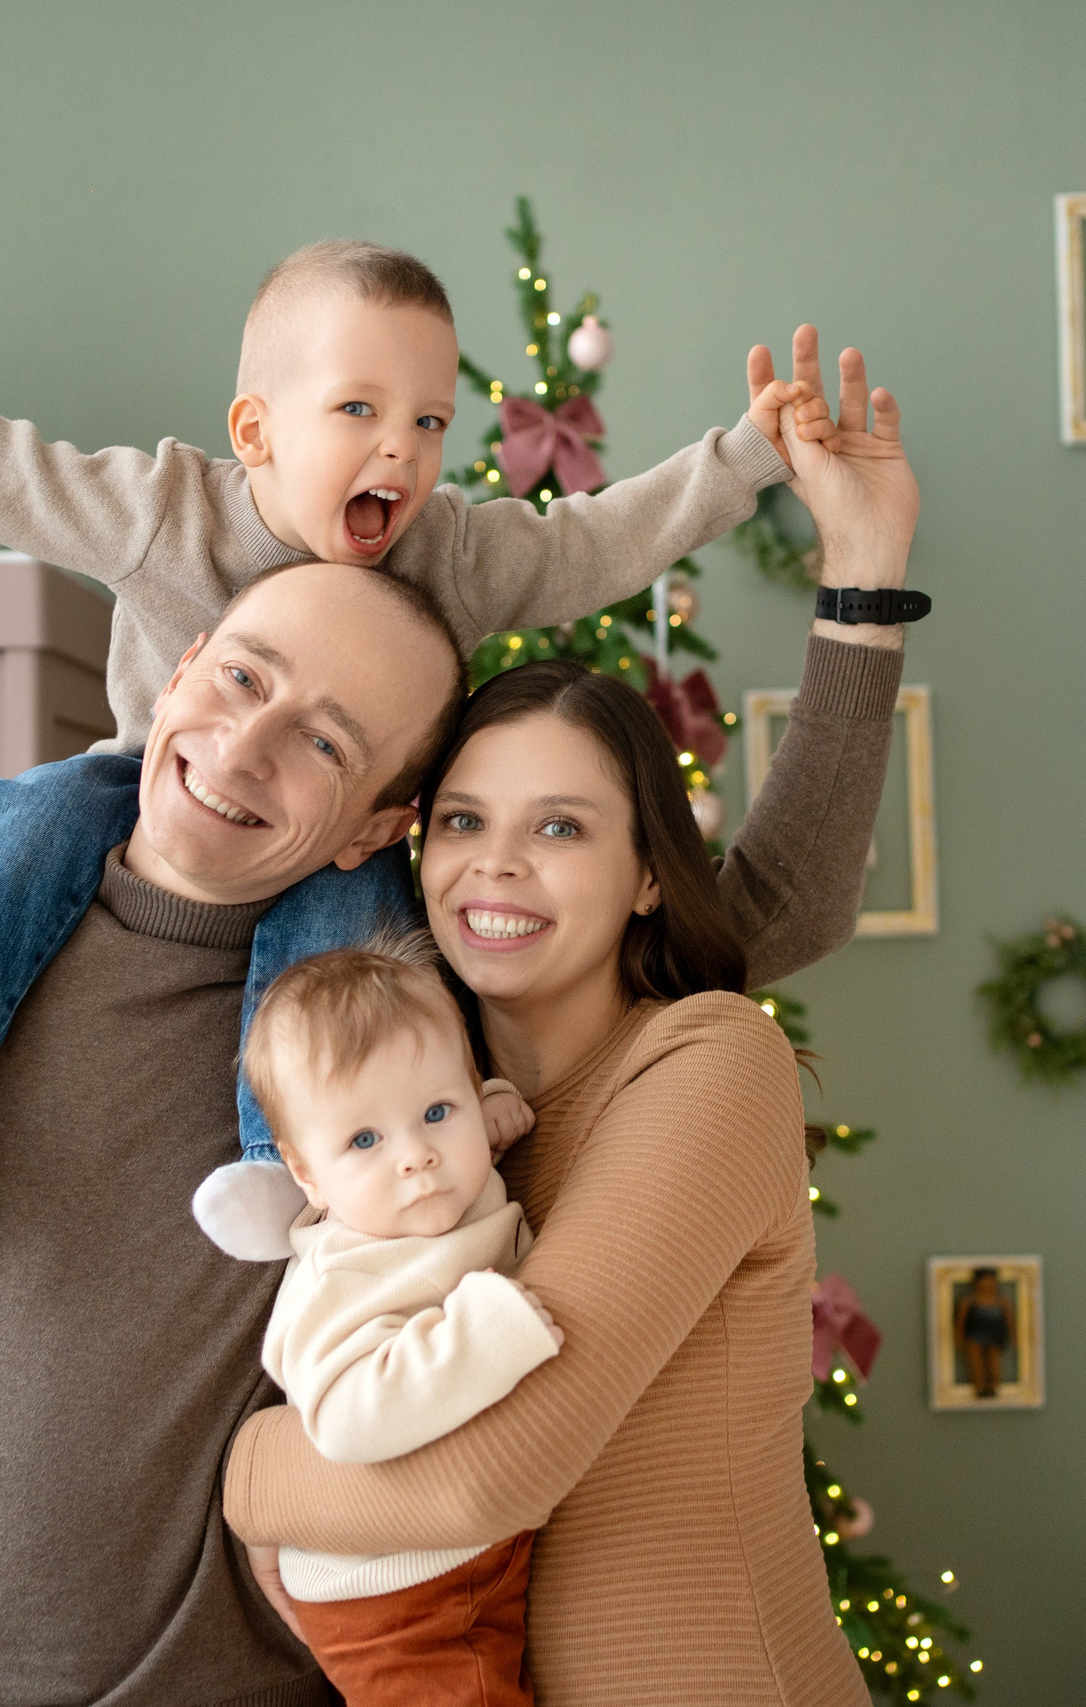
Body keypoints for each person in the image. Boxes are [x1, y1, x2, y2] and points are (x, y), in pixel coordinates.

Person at [0, 255, 911, 1707]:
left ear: (376, 825)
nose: (244, 747)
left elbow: (760, 910)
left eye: (326, 740)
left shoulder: (391, 1007)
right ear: (175, 670)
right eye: (240, 677)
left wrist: (865, 578)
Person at [0, 241, 814, 1241]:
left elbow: (595, 542)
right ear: (256, 432)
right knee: (24, 818)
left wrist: (743, 458)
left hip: (334, 835)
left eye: (430, 423)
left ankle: (270, 1165)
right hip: (139, 787)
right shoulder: (167, 510)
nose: (400, 448)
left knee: (357, 930)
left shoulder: (451, 553)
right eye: (358, 410)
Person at [224, 346, 919, 1705]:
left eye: (560, 829)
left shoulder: (706, 1064)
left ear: (649, 872)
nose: (496, 865)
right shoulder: (425, 1107)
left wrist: (248, 1469)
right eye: (464, 821)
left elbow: (489, 1472)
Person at [238, 930, 558, 1705]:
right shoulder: (344, 1277)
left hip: (454, 1552)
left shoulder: (433, 1186)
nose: (415, 1155)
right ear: (307, 1173)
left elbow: (435, 1126)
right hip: (394, 1591)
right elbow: (350, 1419)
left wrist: (483, 1114)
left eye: (436, 1110)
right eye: (364, 1139)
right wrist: (486, 1333)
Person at [957, 1267, 1013, 1398]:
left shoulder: (1001, 1302)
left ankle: (993, 1387)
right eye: (984, 1281)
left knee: (993, 1363)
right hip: (974, 1337)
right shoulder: (969, 1302)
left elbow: (1010, 1320)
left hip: (995, 1337)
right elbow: (961, 1322)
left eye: (991, 1281)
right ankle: (979, 1387)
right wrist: (959, 1338)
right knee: (976, 1364)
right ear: (976, 1283)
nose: (988, 1284)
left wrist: (1012, 1336)